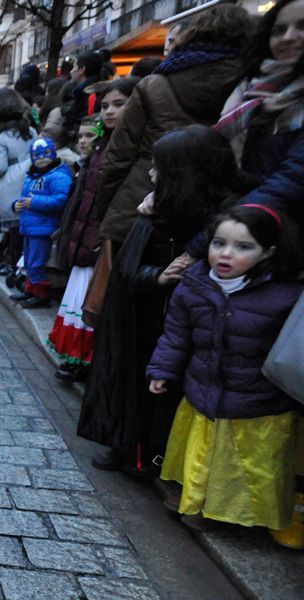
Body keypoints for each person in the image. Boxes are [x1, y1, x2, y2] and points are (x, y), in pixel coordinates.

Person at [79, 125, 257, 474]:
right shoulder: (157, 207)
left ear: (184, 172)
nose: (150, 173)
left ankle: (157, 458)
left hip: (194, 324)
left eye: (159, 167)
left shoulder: (229, 213)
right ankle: (131, 447)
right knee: (143, 384)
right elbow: (129, 269)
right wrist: (156, 277)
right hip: (149, 316)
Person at [147, 203, 303, 541]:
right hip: (204, 389)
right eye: (219, 243)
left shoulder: (286, 295)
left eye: (243, 247)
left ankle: (238, 514)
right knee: (203, 453)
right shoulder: (194, 285)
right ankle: (197, 502)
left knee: (247, 463)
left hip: (258, 400)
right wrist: (162, 369)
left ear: (268, 252)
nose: (226, 253)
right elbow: (176, 334)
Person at [92, 5, 252, 249]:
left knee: (128, 282)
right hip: (217, 213)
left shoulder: (155, 83)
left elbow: (118, 157)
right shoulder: (254, 83)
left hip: (139, 202)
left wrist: (103, 210)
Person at [49, 77, 138, 383]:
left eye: (119, 104)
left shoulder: (131, 144)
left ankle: (86, 360)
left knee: (92, 300)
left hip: (103, 238)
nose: (109, 112)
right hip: (87, 234)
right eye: (104, 106)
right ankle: (77, 358)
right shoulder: (103, 144)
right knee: (80, 299)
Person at [216, 0, 304, 226]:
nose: (287, 37)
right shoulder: (249, 89)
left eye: (302, 27)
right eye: (279, 30)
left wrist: (206, 240)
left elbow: (292, 180)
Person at [10, 137, 73, 309]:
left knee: (37, 262)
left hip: (43, 228)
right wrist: (16, 205)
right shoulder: (33, 175)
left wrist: (34, 202)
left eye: (45, 154)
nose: (41, 158)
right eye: (37, 155)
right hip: (31, 227)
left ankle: (41, 295)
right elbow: (24, 198)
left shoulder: (58, 175)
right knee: (30, 261)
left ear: (53, 153)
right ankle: (31, 290)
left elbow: (61, 200)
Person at [0, 89, 37, 266]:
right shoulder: (31, 131)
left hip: (10, 180)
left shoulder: (1, 137)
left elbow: (0, 166)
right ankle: (16, 263)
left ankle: (11, 263)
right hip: (29, 176)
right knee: (22, 225)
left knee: (13, 226)